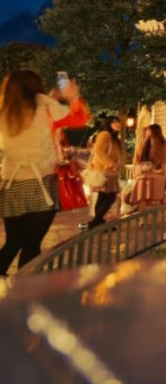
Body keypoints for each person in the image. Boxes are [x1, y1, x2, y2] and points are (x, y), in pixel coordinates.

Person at [0, 70, 87, 275]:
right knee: (32, 244)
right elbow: (78, 119)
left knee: (14, 241)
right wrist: (73, 96)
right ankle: (26, 288)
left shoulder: (4, 107)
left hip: (11, 184)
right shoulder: (44, 105)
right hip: (41, 182)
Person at [123, 123, 166, 212]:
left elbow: (160, 158)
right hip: (144, 173)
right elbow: (137, 158)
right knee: (143, 195)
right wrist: (136, 170)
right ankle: (141, 214)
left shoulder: (163, 143)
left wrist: (154, 144)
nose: (146, 132)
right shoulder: (143, 143)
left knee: (152, 196)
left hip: (155, 173)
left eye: (148, 130)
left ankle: (146, 214)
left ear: (154, 131)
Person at [86, 117, 123, 229]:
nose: (118, 124)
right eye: (114, 122)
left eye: (118, 121)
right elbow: (99, 151)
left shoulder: (113, 137)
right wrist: (111, 163)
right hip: (105, 171)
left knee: (103, 197)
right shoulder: (105, 134)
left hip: (109, 171)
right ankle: (95, 223)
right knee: (110, 196)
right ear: (108, 124)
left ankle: (99, 223)